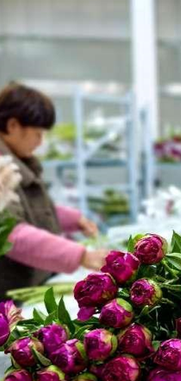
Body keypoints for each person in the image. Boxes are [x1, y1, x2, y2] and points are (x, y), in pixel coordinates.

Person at [0, 83, 107, 298]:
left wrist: (73, 219)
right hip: (7, 289)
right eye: (37, 133)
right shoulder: (2, 169)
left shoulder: (15, 160)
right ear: (12, 126)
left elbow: (27, 207)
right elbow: (11, 233)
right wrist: (81, 255)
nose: (40, 142)